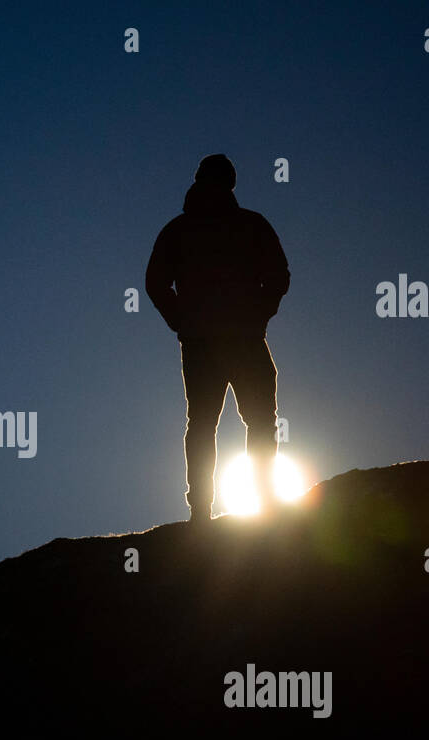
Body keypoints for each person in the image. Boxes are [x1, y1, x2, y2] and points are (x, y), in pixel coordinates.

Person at [145, 154, 290, 523]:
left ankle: (220, 508)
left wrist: (259, 312)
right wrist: (183, 321)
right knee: (224, 422)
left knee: (222, 421)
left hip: (225, 340)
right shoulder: (192, 229)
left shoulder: (198, 228)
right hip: (220, 340)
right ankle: (210, 509)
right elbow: (156, 283)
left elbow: (278, 275)